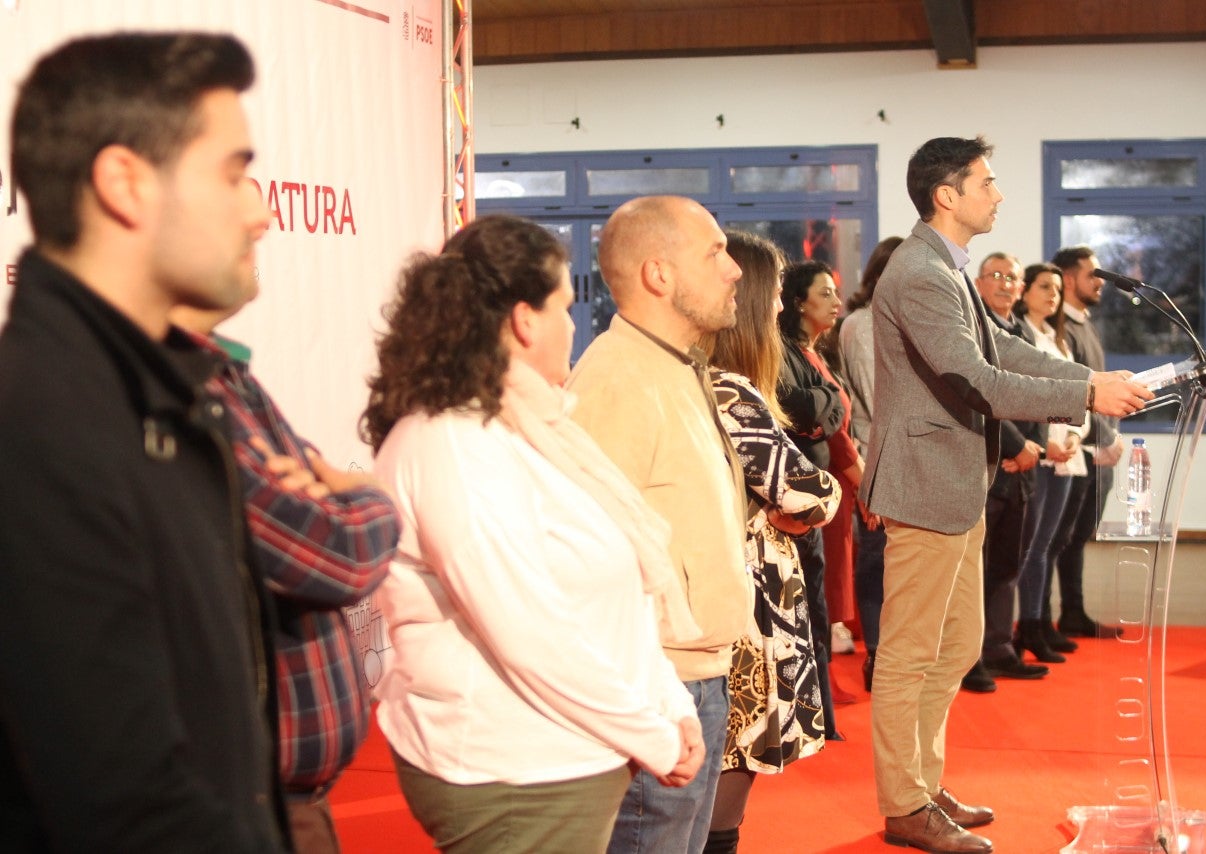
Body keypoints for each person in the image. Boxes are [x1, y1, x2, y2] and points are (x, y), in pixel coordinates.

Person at [0, 33, 287, 851]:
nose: (260, 211)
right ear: (125, 183)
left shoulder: (155, 398)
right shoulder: (41, 427)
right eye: (232, 172)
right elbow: (122, 802)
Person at [363, 215, 703, 854]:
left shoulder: (532, 425)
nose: (576, 325)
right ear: (523, 320)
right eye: (566, 308)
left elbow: (615, 592)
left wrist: (670, 702)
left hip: (565, 752)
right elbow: (530, 630)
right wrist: (654, 733)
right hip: (514, 767)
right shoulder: (452, 444)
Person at [858, 135, 1152, 854]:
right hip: (926, 486)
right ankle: (904, 803)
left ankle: (922, 785)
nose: (998, 194)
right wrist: (1086, 389)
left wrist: (1084, 386)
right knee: (909, 653)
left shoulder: (945, 267)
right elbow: (978, 380)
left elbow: (1003, 351)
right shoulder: (921, 272)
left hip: (953, 483)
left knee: (956, 644)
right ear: (946, 196)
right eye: (987, 183)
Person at [171, 292, 401, 850]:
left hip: (285, 802)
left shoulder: (230, 378)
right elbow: (334, 553)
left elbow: (319, 502)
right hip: (244, 807)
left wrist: (336, 502)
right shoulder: (178, 389)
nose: (259, 218)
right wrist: (377, 499)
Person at [566, 195, 752, 854]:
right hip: (660, 684)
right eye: (715, 253)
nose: (734, 271)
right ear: (658, 275)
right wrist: (649, 694)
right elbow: (586, 568)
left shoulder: (671, 367)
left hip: (691, 677)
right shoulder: (616, 383)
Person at [701, 232, 840, 854]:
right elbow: (811, 492)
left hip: (748, 595)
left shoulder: (714, 379)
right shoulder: (730, 387)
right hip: (747, 606)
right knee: (724, 794)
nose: (783, 308)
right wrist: (801, 506)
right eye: (778, 293)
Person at [778, 260, 873, 727]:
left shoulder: (819, 353)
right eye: (825, 293)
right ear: (798, 302)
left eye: (837, 292)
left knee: (830, 590)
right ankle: (819, 699)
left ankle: (825, 690)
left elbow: (830, 413)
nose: (837, 301)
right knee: (820, 592)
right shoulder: (787, 353)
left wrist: (828, 405)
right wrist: (830, 405)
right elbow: (815, 420)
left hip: (835, 486)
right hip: (821, 488)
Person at [960, 252, 1051, 694]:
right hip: (987, 466)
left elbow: (1035, 392)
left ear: (1019, 287)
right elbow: (981, 391)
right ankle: (969, 656)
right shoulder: (974, 332)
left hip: (1025, 470)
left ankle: (999, 648)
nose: (1002, 283)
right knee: (975, 568)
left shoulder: (1024, 335)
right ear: (978, 284)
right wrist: (1015, 446)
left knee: (1008, 567)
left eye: (1010, 277)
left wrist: (1036, 447)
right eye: (994, 275)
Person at [1045, 246, 1128, 639]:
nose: (1099, 281)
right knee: (1059, 538)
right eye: (1091, 273)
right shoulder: (1061, 330)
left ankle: (1074, 612)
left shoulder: (1086, 324)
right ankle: (1046, 618)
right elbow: (1071, 394)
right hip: (1079, 451)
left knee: (1077, 536)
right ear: (1068, 277)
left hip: (1097, 450)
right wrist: (1099, 440)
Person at [1015, 263, 1090, 663]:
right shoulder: (1022, 335)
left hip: (1066, 454)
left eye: (1058, 289)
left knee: (1048, 545)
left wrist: (1079, 432)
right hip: (1041, 455)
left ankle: (1041, 620)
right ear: (1025, 291)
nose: (1052, 295)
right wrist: (1045, 442)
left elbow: (1081, 391)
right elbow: (1026, 395)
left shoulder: (1057, 338)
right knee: (1032, 548)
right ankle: (1028, 624)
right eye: (1044, 287)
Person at [838, 236, 903, 692]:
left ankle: (896, 653)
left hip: (906, 453)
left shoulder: (902, 320)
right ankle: (878, 654)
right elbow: (878, 399)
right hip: (876, 453)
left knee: (904, 565)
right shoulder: (862, 324)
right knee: (877, 559)